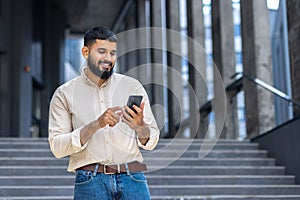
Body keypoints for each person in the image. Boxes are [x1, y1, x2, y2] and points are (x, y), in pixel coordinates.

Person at [48, 25, 159, 200]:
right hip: (91, 182)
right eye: (101, 52)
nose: (108, 58)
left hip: (133, 179)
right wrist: (96, 125)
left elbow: (151, 140)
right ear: (85, 52)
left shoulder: (132, 86)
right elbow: (57, 147)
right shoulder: (65, 94)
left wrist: (140, 127)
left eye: (112, 53)